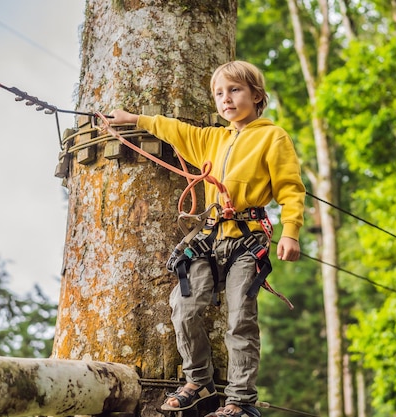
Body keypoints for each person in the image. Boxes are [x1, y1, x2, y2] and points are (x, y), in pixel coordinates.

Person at [109, 60, 305, 417]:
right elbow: (173, 129)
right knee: (184, 308)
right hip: (209, 239)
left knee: (240, 319)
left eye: (234, 90)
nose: (226, 99)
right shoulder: (212, 138)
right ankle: (199, 381)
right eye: (219, 93)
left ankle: (241, 401)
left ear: (256, 96)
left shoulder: (272, 136)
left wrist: (290, 232)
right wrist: (133, 118)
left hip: (247, 242)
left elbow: (291, 189)